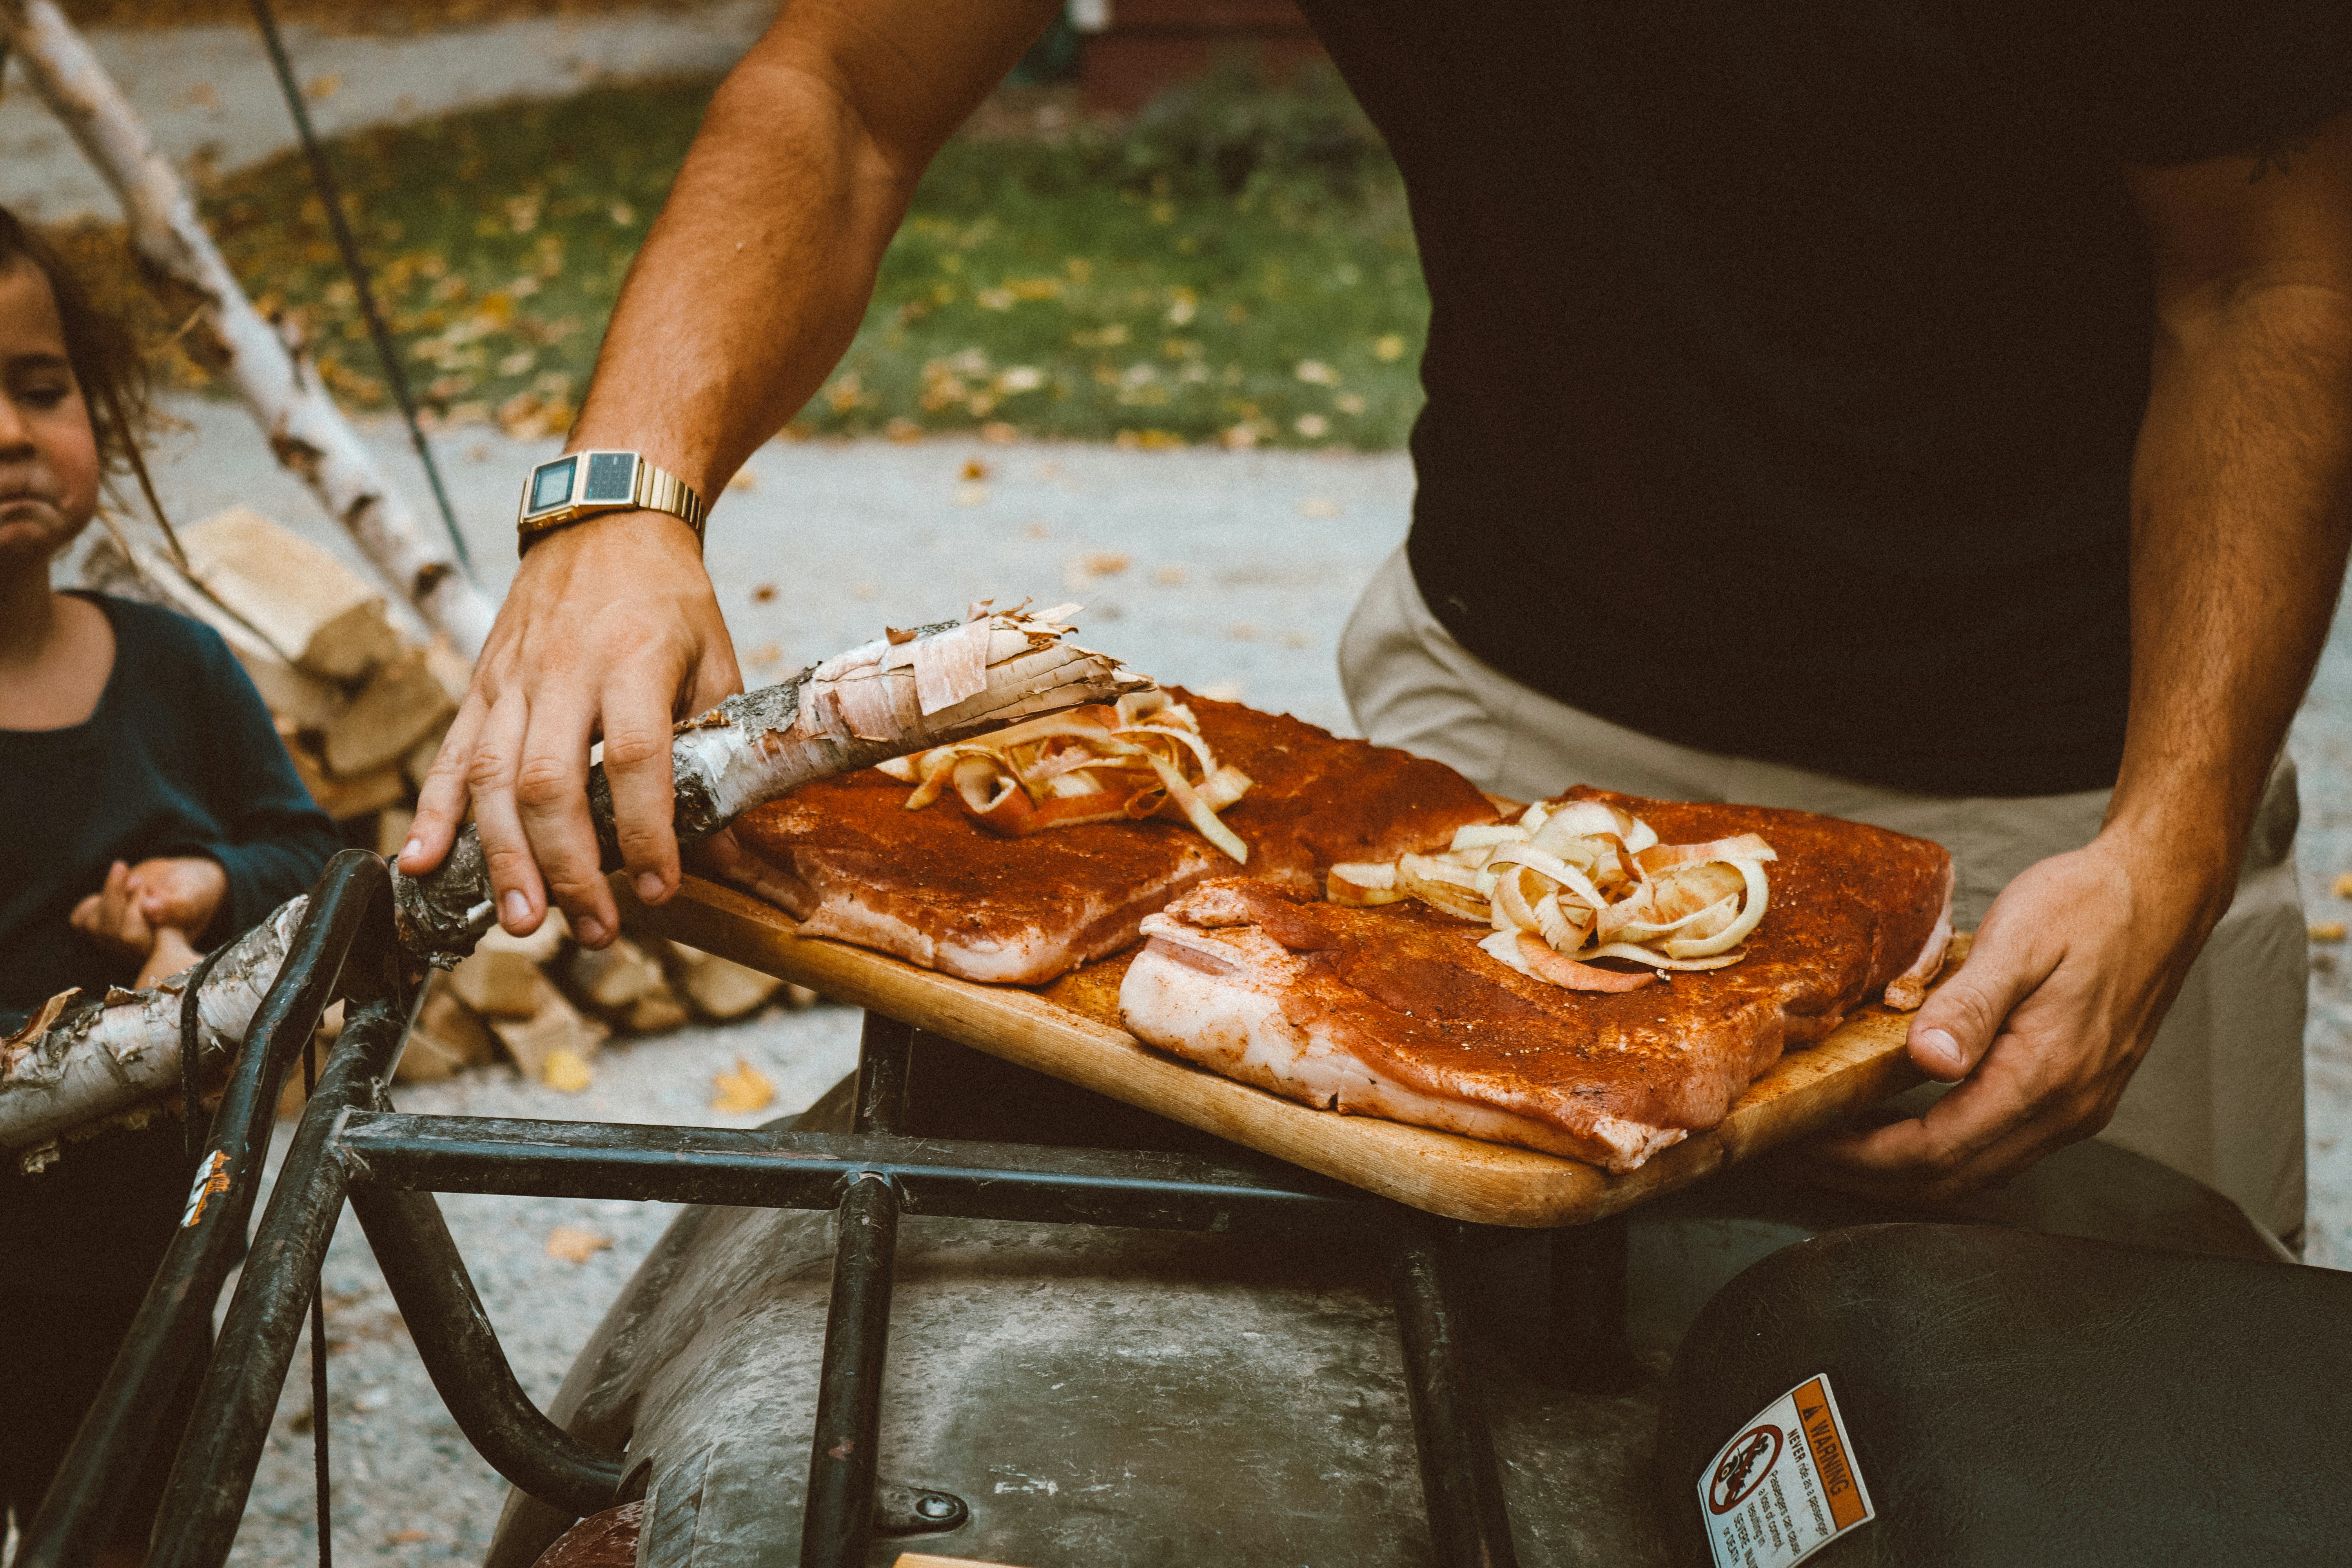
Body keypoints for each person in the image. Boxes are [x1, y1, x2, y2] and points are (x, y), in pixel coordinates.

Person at [402, 5, 2352, 1241]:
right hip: (1482, 749)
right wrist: (619, 504)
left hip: (2045, 810)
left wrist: (2174, 843)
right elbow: (837, 91)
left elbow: (2264, 275)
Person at [0, 208, 341, 1557]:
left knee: (124, 1533)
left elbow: (314, 859)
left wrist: (206, 887)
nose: (16, 434)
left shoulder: (178, 668)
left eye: (40, 389)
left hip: (139, 1256)